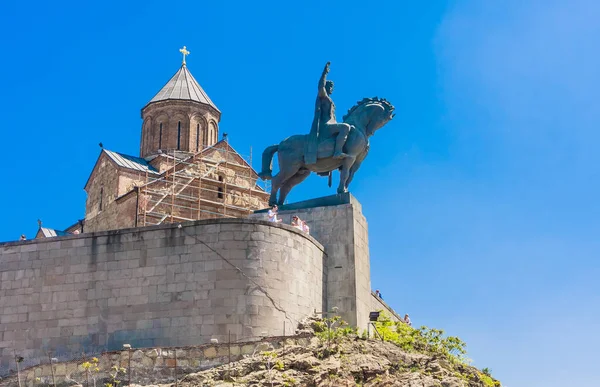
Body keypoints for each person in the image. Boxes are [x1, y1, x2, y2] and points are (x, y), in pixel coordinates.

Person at [305, 62, 354, 165]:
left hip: (331, 124)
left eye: (332, 87)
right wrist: (324, 73)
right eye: (330, 86)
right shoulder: (323, 97)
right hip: (325, 126)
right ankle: (337, 152)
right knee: (345, 127)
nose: (332, 88)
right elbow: (320, 86)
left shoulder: (331, 101)